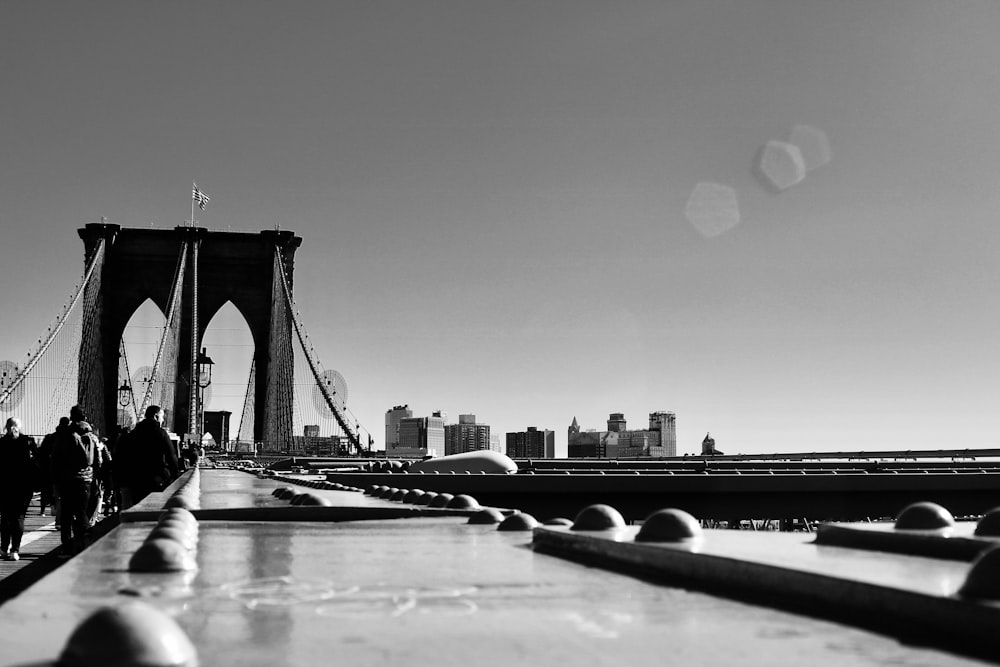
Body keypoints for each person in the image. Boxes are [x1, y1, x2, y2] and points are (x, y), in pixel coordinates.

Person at [51, 405, 96, 556]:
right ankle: (86, 543)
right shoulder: (91, 435)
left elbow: (55, 459)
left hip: (67, 480)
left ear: (71, 417)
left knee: (66, 516)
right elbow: (99, 461)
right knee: (82, 513)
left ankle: (67, 547)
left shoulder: (64, 435)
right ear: (85, 418)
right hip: (85, 481)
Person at [122, 405, 178, 509]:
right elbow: (171, 455)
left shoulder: (133, 433)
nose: (163, 420)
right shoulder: (161, 433)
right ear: (156, 416)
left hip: (135, 479)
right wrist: (175, 475)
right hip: (156, 479)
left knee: (138, 508)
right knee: (153, 510)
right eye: (162, 417)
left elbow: (124, 456)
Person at [0, 417, 39, 561]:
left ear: (6, 427)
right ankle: (15, 550)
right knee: (19, 517)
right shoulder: (28, 441)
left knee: (5, 517)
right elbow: (37, 462)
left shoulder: (1, 443)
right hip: (24, 486)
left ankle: (3, 548)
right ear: (20, 426)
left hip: (4, 485)